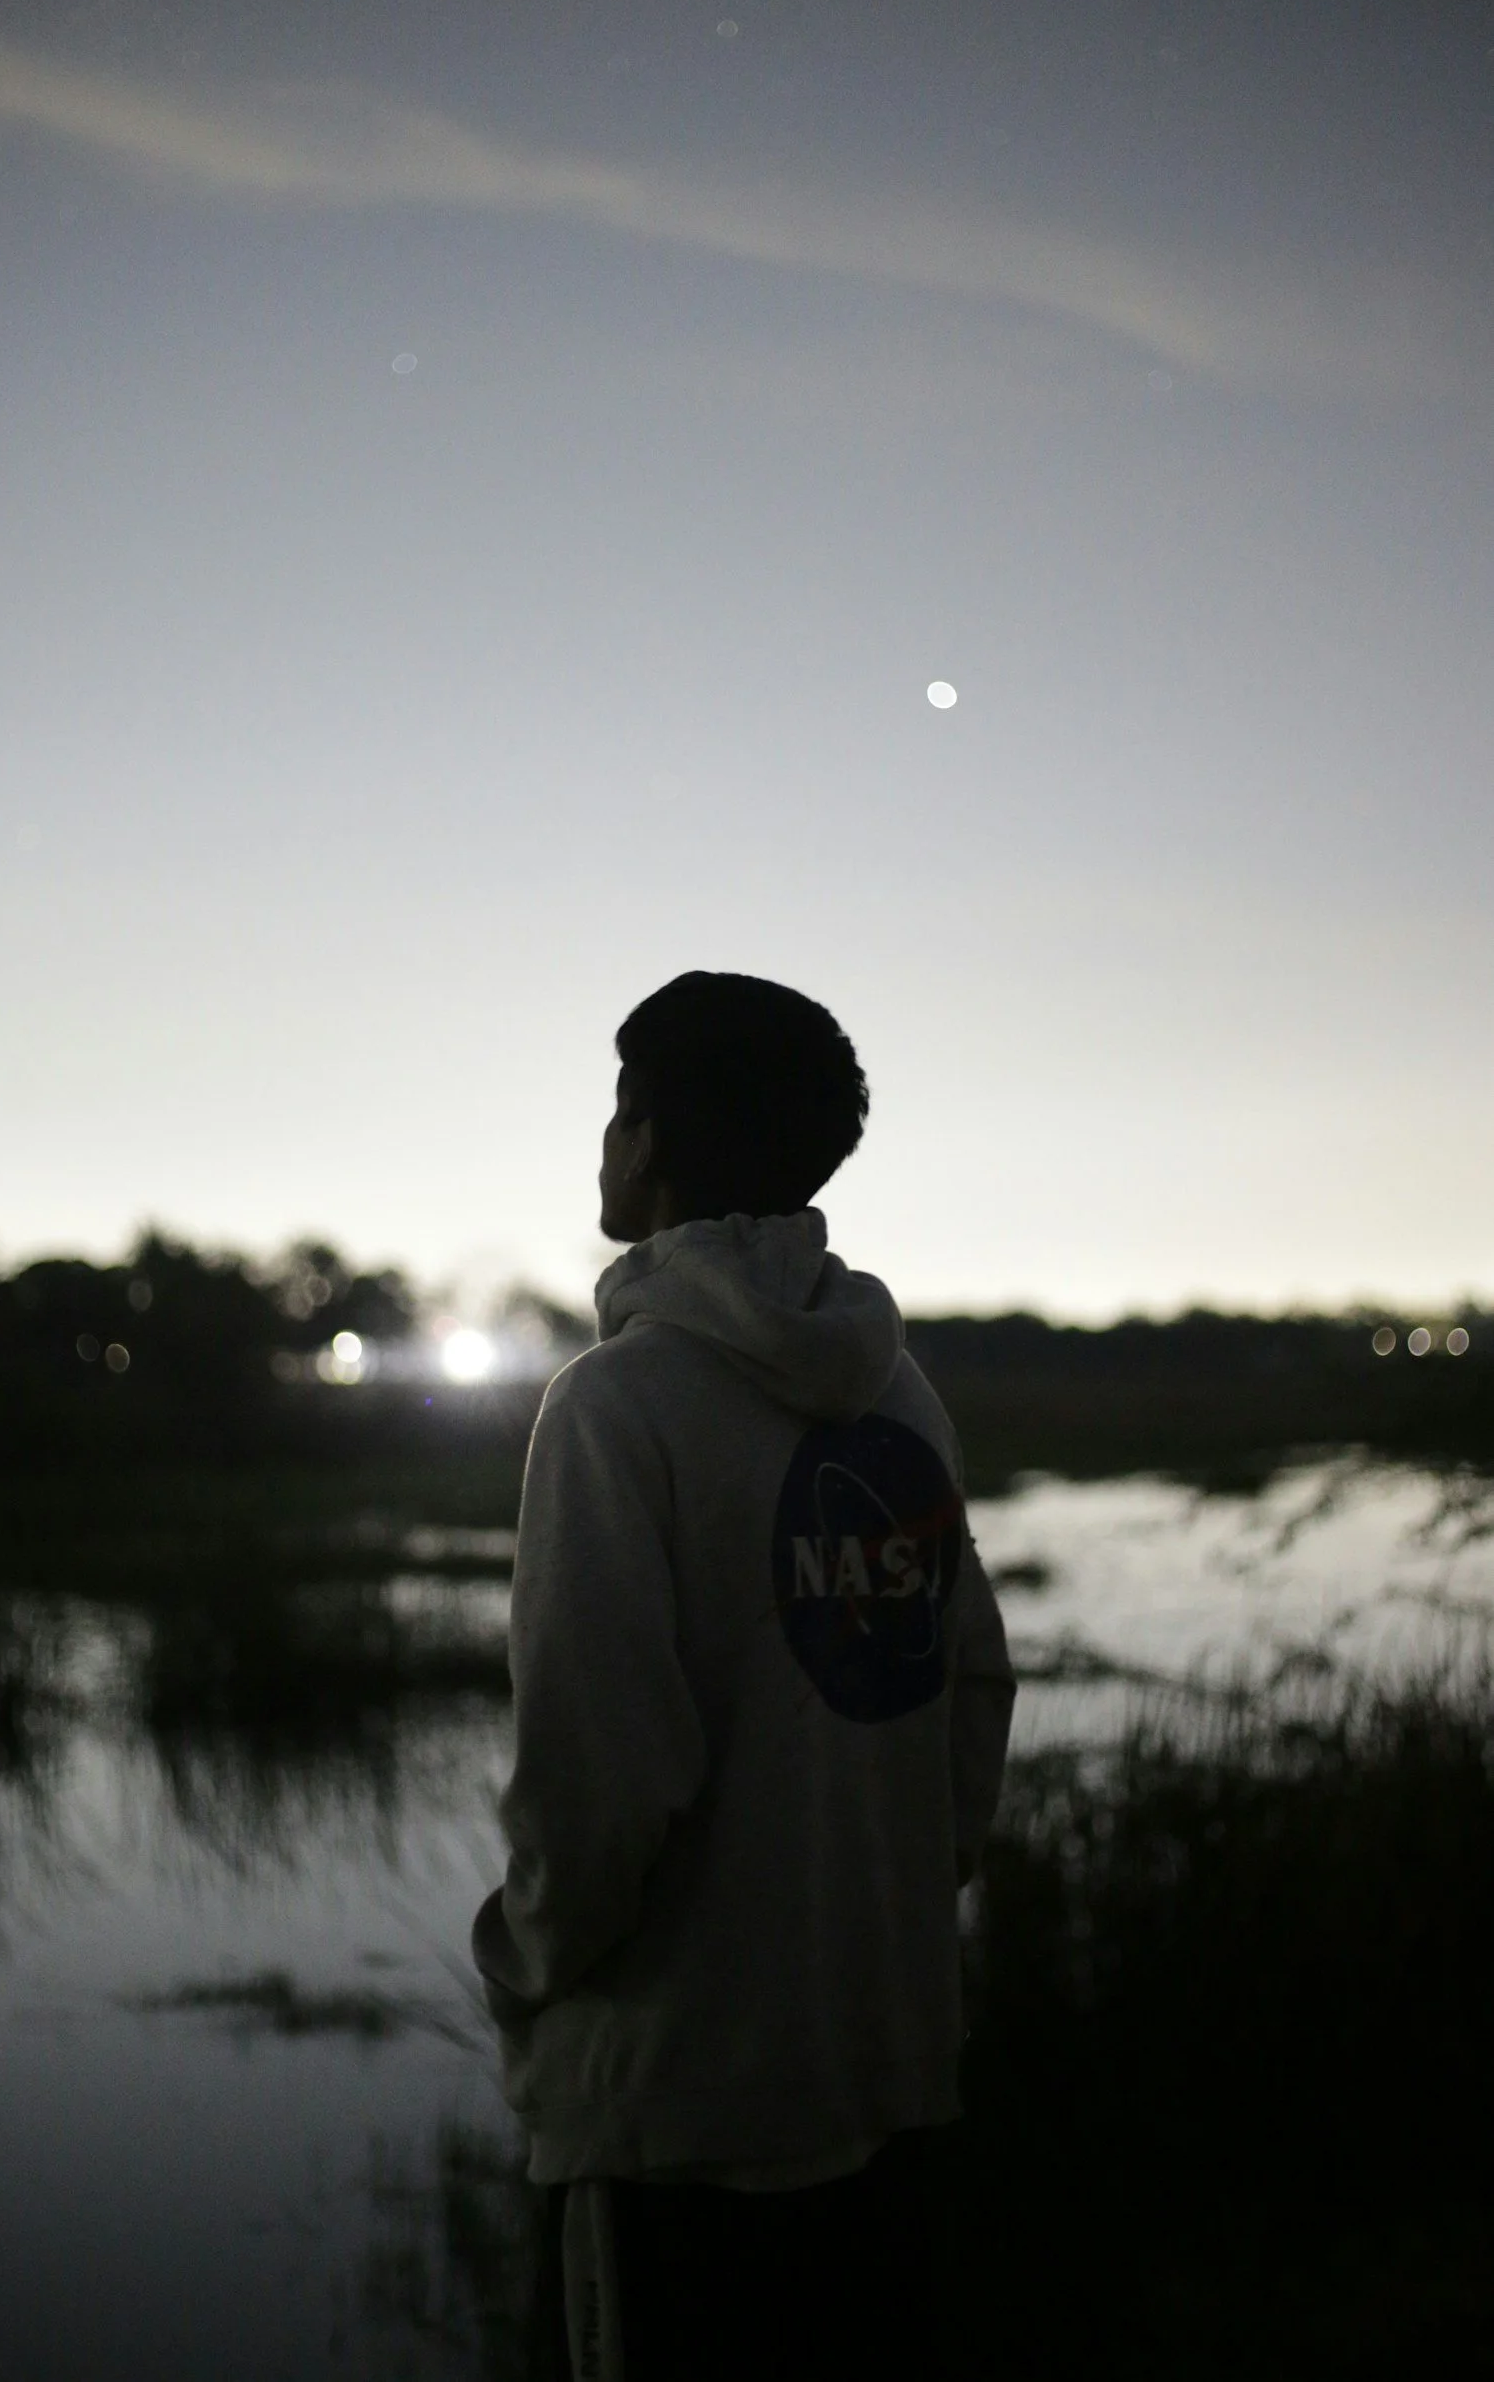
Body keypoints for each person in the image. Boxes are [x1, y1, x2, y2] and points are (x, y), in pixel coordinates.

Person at [472, 971, 1016, 2382]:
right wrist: (887, 1921)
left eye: (618, 1112)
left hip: (675, 2127)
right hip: (884, 2093)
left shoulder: (612, 1406)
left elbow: (598, 1783)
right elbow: (968, 1694)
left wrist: (521, 1964)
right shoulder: (903, 1399)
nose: (605, 1143)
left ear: (649, 1140)